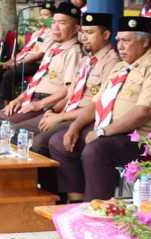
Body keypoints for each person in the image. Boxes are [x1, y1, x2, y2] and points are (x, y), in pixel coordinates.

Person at [47, 16, 151, 201]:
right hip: (112, 131)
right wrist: (75, 127)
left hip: (143, 140)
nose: (120, 46)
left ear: (145, 41)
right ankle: (75, 203)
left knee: (96, 150)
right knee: (60, 141)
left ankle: (97, 208)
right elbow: (96, 104)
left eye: (126, 41)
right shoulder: (120, 67)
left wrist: (102, 131)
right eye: (118, 41)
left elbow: (144, 112)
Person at [14, 13, 119, 198]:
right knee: (17, 132)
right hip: (67, 112)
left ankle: (54, 196)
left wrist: (59, 117)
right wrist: (53, 110)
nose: (84, 37)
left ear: (106, 35)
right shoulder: (87, 60)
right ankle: (31, 190)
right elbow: (71, 94)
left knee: (40, 142)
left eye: (90, 33)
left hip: (84, 117)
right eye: (83, 32)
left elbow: (99, 105)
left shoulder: (112, 63)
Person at [0, 2, 83, 132]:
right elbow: (36, 82)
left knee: (5, 125)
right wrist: (18, 99)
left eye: (62, 23)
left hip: (47, 103)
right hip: (32, 98)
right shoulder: (53, 48)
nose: (55, 27)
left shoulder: (74, 52)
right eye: (54, 22)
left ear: (76, 28)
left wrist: (38, 104)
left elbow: (68, 90)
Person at [0, 2, 56, 103]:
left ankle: (5, 102)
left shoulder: (51, 34)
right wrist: (11, 61)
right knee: (0, 69)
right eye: (41, 15)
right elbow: (25, 51)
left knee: (10, 74)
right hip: (26, 61)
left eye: (46, 15)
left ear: (53, 18)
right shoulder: (37, 33)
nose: (42, 18)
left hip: (37, 64)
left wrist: (18, 63)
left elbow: (39, 54)